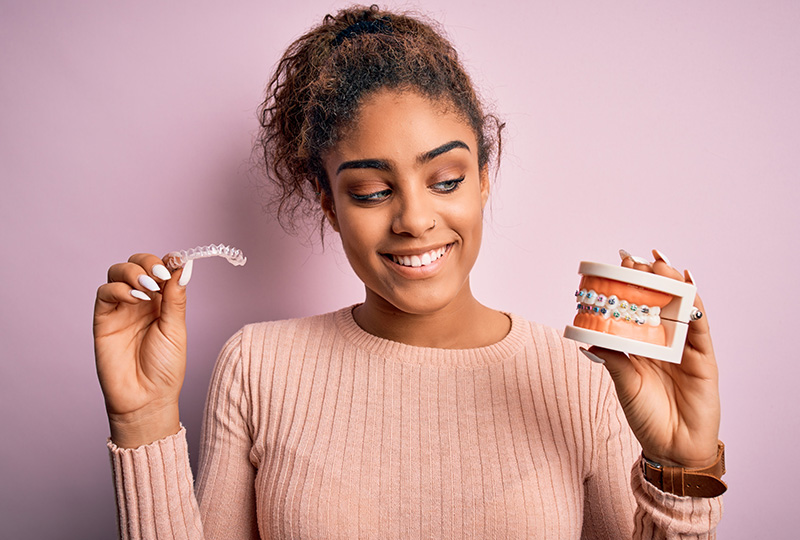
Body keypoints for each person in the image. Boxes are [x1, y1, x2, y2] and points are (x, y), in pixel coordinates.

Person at [93, 5, 725, 539]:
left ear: (483, 180)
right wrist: (143, 419)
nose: (415, 219)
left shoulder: (583, 379)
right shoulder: (258, 368)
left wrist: (681, 470)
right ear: (329, 206)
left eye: (446, 180)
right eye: (370, 191)